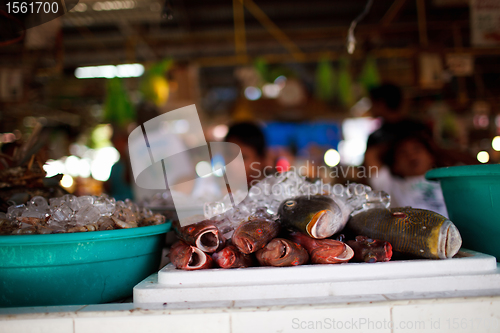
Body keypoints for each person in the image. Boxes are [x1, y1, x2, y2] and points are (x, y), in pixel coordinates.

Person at [368, 132, 448, 217]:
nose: (412, 156)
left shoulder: (447, 180)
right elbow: (370, 155)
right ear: (395, 166)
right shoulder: (390, 185)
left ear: (431, 157)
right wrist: (392, 143)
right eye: (403, 153)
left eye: (417, 149)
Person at [225, 122, 270, 187]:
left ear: (259, 160)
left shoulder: (270, 192)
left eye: (243, 157)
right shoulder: (214, 190)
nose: (233, 164)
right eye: (230, 155)